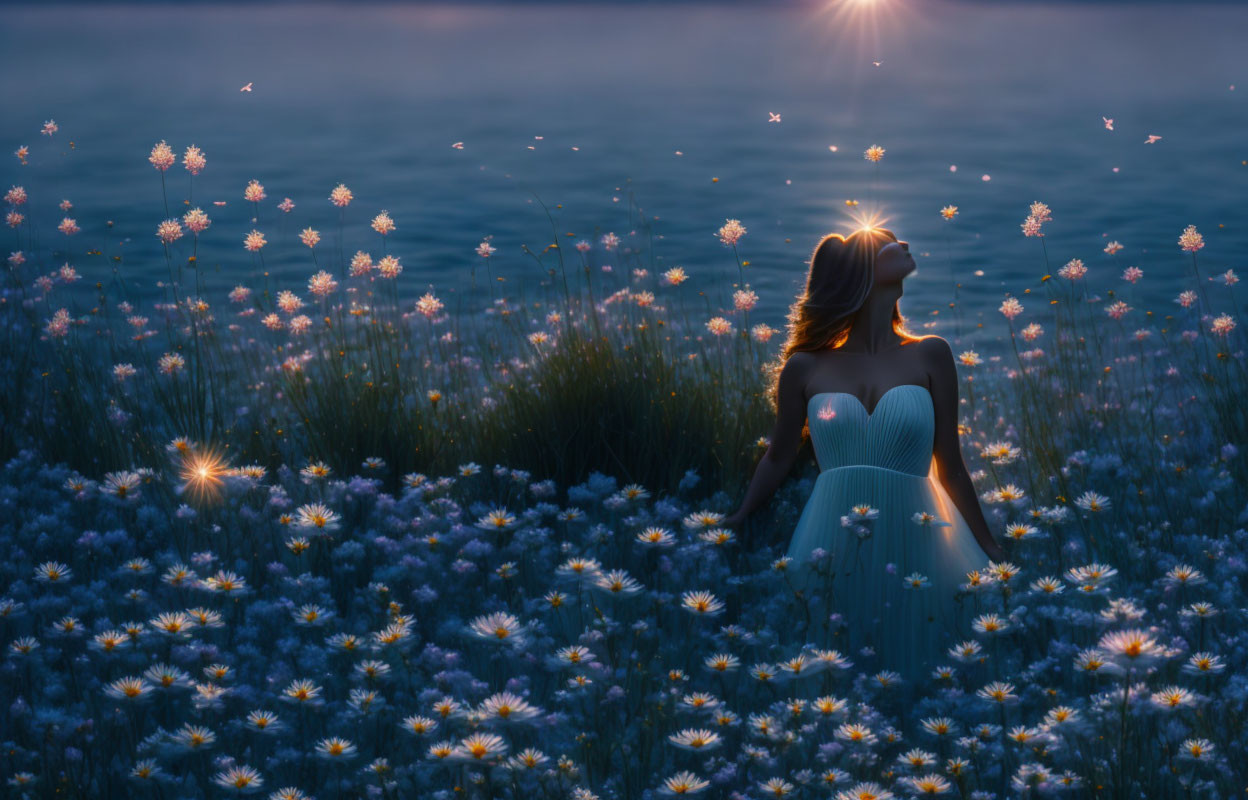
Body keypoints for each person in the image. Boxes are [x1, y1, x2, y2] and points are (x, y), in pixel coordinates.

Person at [720, 226, 1006, 683]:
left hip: (919, 535)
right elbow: (778, 456)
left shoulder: (931, 354)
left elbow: (949, 465)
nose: (906, 245)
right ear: (863, 271)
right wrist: (739, 516)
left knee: (922, 665)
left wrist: (988, 545)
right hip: (829, 533)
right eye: (890, 242)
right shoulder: (805, 366)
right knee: (830, 667)